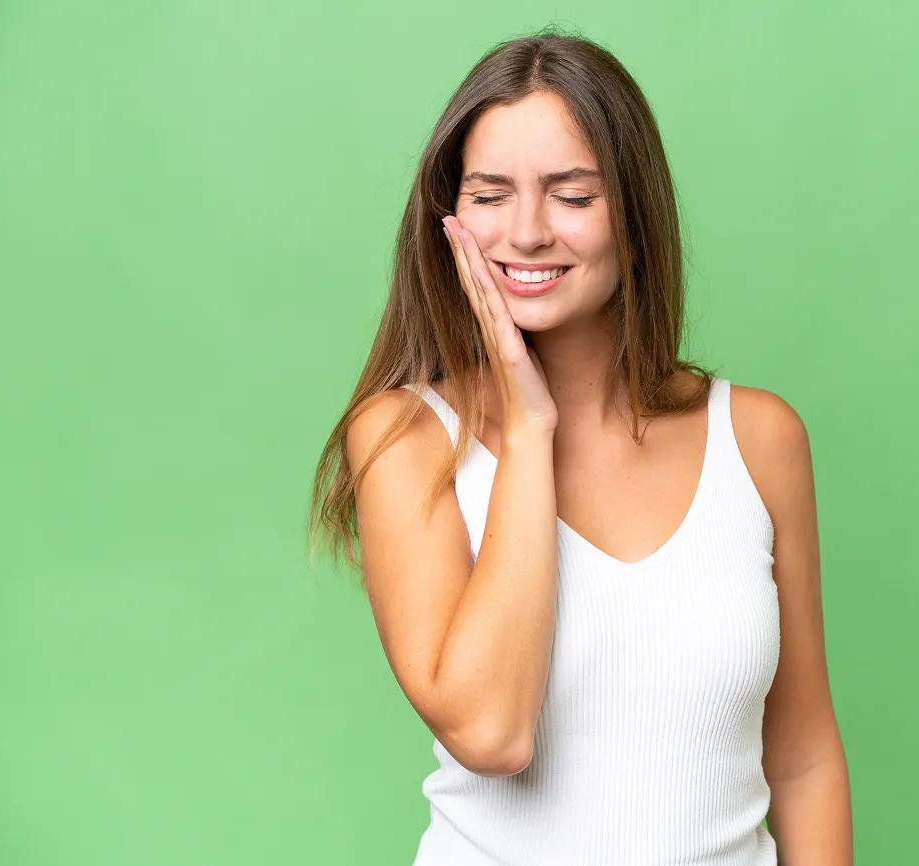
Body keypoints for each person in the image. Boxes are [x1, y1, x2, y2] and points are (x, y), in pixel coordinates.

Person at [307, 28, 852, 866]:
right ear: (450, 220)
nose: (527, 233)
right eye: (490, 195)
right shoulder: (405, 438)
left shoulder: (759, 439)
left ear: (634, 218)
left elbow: (804, 760)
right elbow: (492, 733)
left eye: (572, 195)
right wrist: (529, 430)